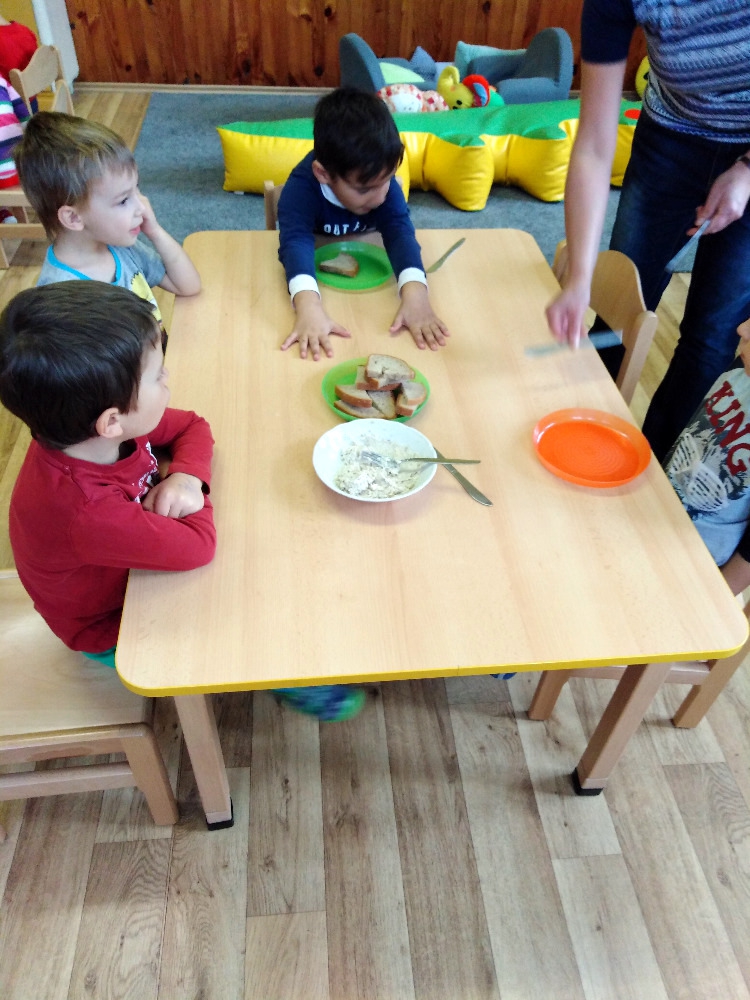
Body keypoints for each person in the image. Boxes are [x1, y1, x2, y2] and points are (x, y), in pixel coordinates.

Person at [0, 280, 364, 721]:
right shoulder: (87, 511)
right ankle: (283, 675)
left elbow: (192, 425)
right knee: (240, 603)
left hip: (127, 566)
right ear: (112, 421)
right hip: (113, 624)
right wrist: (193, 492)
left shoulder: (86, 434)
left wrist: (187, 477)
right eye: (158, 375)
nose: (168, 378)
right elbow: (198, 547)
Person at [545, 0, 750, 462]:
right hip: (671, 137)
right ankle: (580, 443)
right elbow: (594, 145)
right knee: (618, 309)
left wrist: (747, 170)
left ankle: (654, 471)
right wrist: (580, 279)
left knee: (712, 340)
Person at [277, 87, 450, 361]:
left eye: (387, 181)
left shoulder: (378, 181)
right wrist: (308, 306)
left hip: (372, 285)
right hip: (322, 280)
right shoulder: (300, 190)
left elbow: (400, 233)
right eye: (365, 189)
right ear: (323, 173)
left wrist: (416, 294)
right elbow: (295, 242)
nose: (380, 197)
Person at [13, 111, 201, 340]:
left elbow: (188, 286)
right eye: (123, 200)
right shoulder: (61, 300)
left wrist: (156, 232)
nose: (142, 207)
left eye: (137, 190)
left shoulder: (122, 249)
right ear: (73, 218)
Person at [665, 317, 750, 597]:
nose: (742, 328)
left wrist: (714, 599)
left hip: (693, 566)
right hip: (657, 510)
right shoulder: (743, 369)